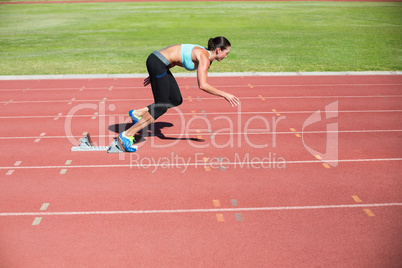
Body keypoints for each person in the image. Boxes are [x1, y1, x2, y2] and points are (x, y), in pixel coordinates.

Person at [118, 36, 240, 152]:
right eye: (226, 53)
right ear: (219, 50)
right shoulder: (204, 57)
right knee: (161, 107)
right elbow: (203, 85)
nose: (226, 56)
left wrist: (155, 72)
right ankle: (127, 134)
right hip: (158, 63)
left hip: (159, 63)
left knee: (175, 99)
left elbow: (175, 59)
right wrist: (225, 94)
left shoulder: (205, 55)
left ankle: (137, 113)